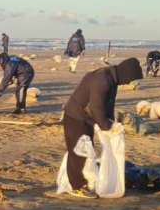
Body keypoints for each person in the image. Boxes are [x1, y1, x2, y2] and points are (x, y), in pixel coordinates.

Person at [59, 58, 144, 195]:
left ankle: (83, 181)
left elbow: (108, 104)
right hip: (75, 116)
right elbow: (96, 106)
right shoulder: (102, 79)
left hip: (86, 118)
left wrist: (111, 122)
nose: (128, 82)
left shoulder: (112, 78)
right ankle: (77, 186)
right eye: (130, 79)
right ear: (126, 73)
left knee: (87, 148)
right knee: (79, 151)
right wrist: (105, 125)